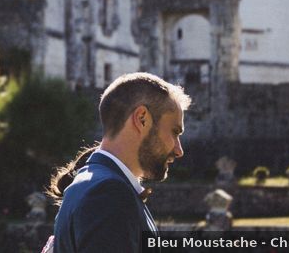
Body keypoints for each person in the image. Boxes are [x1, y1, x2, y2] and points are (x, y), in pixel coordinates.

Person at [45, 72, 191, 253]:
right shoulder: (109, 194)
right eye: (175, 132)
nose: (179, 150)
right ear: (142, 119)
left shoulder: (93, 183)